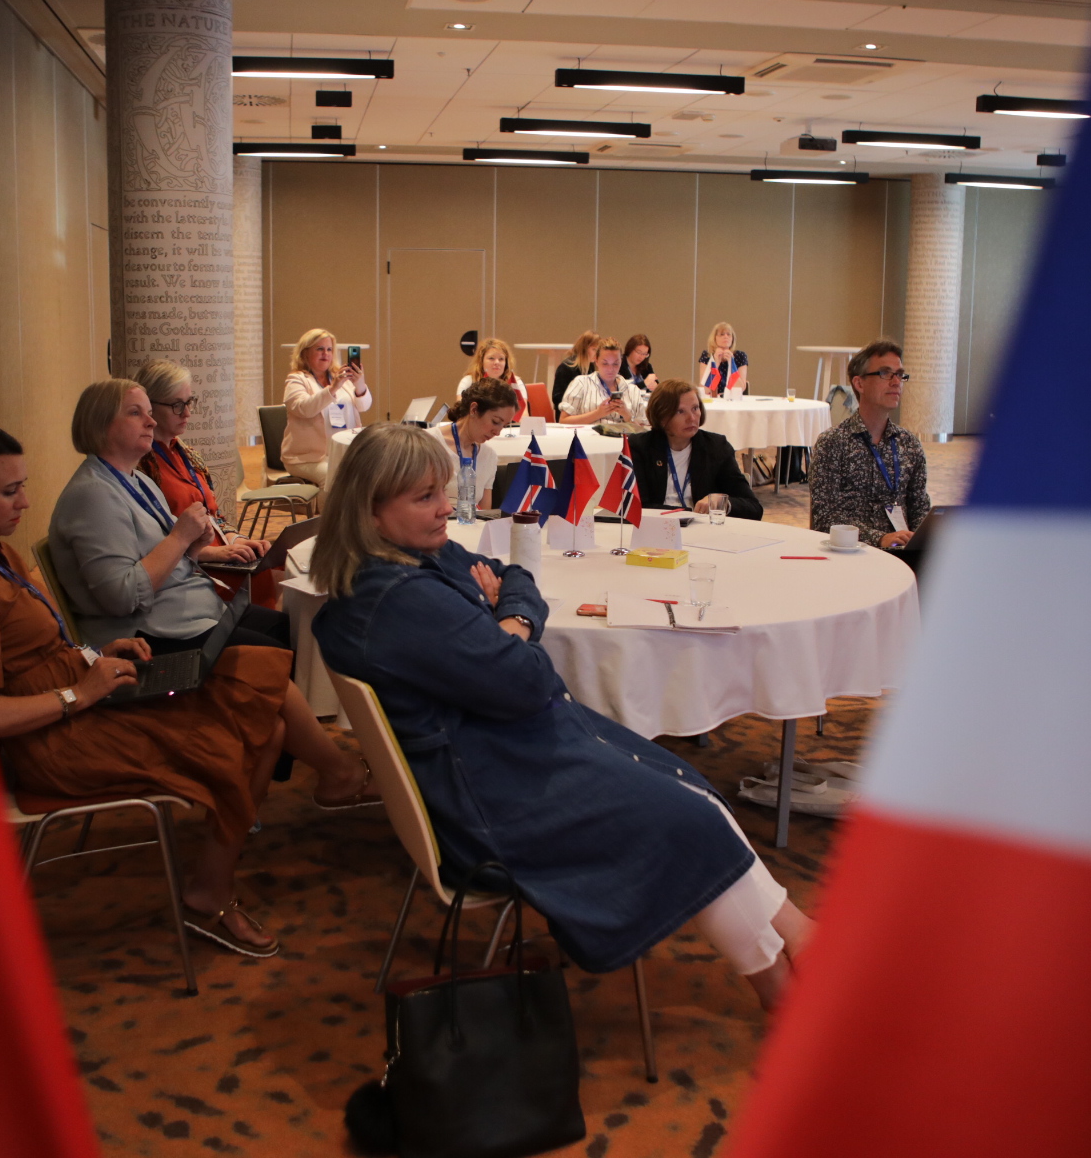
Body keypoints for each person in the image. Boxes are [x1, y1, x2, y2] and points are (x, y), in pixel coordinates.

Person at [310, 425, 814, 1009]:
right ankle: (784, 978)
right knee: (688, 815)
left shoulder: (408, 560)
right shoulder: (400, 600)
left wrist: (509, 618)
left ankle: (797, 947)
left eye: (442, 490)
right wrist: (510, 623)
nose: (448, 507)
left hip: (497, 753)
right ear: (370, 514)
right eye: (425, 497)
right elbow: (529, 680)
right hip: (492, 797)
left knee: (692, 795)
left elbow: (515, 575)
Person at [0, 420, 291, 957]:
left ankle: (211, 877)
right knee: (238, 734)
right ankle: (208, 889)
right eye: (10, 491)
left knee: (261, 702)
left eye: (23, 486)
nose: (26, 502)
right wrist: (80, 695)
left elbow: (41, 644)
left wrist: (97, 656)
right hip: (50, 739)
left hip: (77, 695)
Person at [47, 379, 379, 816]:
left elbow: (168, 549)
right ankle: (332, 772)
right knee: (269, 663)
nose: (151, 421)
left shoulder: (129, 480)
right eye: (136, 412)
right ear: (99, 424)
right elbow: (121, 597)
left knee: (281, 627)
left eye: (150, 410)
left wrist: (196, 542)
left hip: (182, 616)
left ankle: (258, 760)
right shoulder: (92, 496)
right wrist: (182, 536)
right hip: (142, 643)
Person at [134, 359, 281, 610]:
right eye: (177, 405)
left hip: (219, 552)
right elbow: (152, 544)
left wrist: (236, 540)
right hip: (191, 569)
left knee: (275, 563)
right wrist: (214, 554)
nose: (188, 413)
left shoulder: (186, 453)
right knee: (266, 580)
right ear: (150, 407)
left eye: (189, 402)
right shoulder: (140, 467)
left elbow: (215, 516)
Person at [809, 340, 931, 551]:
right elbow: (824, 517)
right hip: (852, 554)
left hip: (902, 553)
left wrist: (921, 538)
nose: (896, 382)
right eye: (885, 373)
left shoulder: (909, 444)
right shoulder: (833, 443)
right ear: (859, 384)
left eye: (900, 374)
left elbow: (919, 507)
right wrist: (879, 538)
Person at [628, 380, 762, 520]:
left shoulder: (716, 447)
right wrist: (688, 512)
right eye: (680, 411)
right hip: (657, 529)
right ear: (662, 417)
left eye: (695, 408)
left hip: (704, 530)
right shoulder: (640, 447)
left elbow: (754, 508)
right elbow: (638, 507)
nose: (691, 418)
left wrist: (723, 503)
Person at [281, 328, 372, 485]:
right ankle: (329, 511)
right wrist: (332, 388)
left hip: (343, 452)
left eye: (329, 349)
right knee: (334, 478)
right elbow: (304, 409)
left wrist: (359, 383)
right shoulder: (296, 379)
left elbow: (364, 406)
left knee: (372, 473)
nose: (326, 354)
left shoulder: (340, 378)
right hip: (308, 458)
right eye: (320, 349)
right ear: (305, 353)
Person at [429, 377, 519, 509]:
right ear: (474, 409)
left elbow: (484, 514)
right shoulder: (428, 444)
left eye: (504, 426)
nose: (498, 432)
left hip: (470, 527)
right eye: (495, 421)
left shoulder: (488, 456)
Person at [558, 337, 649, 428]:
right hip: (589, 439)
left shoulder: (632, 390)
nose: (610, 369)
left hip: (621, 440)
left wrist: (628, 416)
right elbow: (564, 420)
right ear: (596, 361)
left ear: (621, 362)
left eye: (615, 364)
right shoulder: (581, 384)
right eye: (605, 363)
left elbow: (643, 429)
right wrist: (598, 414)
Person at [456, 337, 528, 417]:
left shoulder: (515, 382)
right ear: (481, 361)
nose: (497, 362)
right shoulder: (468, 381)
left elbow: (524, 414)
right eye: (491, 358)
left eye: (501, 359)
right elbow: (461, 413)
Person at [550, 329, 602, 410]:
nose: (597, 353)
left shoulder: (591, 367)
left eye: (598, 350)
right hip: (568, 415)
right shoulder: (566, 368)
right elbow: (557, 398)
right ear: (584, 348)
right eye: (594, 349)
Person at [697, 321, 749, 397]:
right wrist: (716, 362)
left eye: (729, 334)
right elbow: (704, 389)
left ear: (732, 339)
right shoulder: (707, 355)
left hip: (733, 399)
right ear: (714, 338)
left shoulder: (740, 355)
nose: (726, 336)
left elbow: (741, 388)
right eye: (722, 334)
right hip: (713, 399)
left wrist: (731, 363)